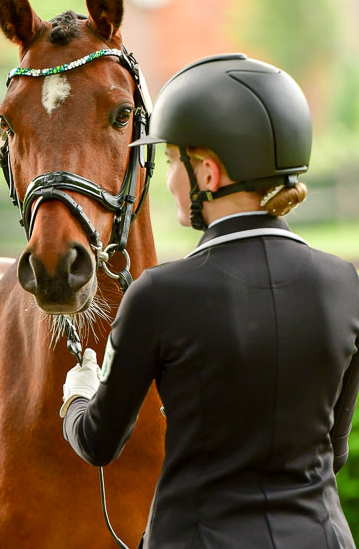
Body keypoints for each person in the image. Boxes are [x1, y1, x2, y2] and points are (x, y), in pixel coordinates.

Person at [59, 53, 359, 549]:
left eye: (174, 162)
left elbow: (97, 441)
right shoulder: (345, 285)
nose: (171, 179)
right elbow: (334, 447)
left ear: (208, 173)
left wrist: (76, 396)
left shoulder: (157, 295)